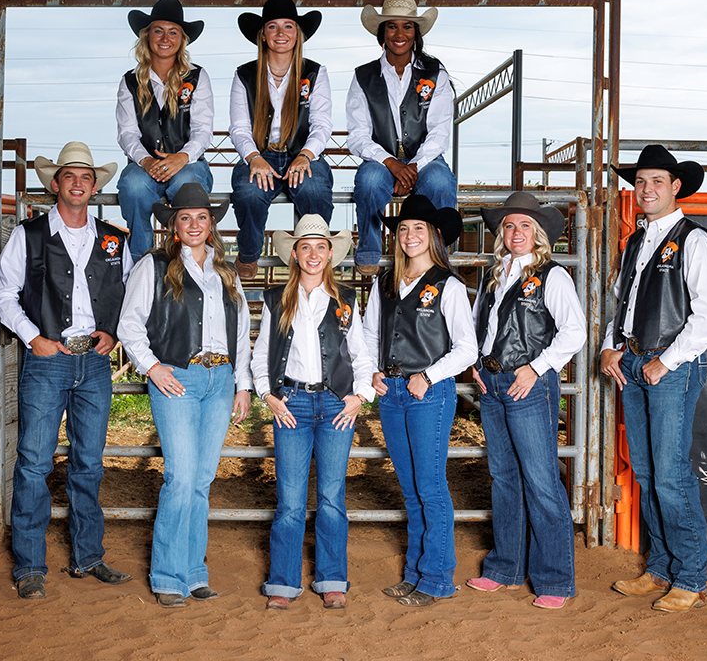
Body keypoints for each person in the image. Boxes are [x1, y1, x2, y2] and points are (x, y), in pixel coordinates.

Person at [0, 142, 131, 600]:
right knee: (33, 462)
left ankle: (88, 555)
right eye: (68, 176)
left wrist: (113, 331)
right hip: (47, 358)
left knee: (88, 463)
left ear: (94, 187)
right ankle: (30, 565)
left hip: (94, 360)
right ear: (55, 184)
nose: (76, 183)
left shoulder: (115, 238)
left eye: (85, 177)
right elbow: (2, 294)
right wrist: (34, 338)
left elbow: (129, 293)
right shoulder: (28, 234)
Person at [599, 144, 707, 613]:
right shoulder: (636, 240)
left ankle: (690, 577)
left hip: (669, 367)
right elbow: (621, 304)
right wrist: (610, 347)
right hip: (634, 364)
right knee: (650, 472)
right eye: (640, 182)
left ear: (676, 187)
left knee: (670, 475)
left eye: (657, 181)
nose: (646, 189)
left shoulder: (694, 240)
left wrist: (666, 361)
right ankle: (661, 569)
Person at [118, 182, 253, 608]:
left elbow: (244, 330)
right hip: (177, 377)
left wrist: (243, 384)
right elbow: (129, 325)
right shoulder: (154, 265)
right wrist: (152, 367)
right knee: (180, 478)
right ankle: (167, 575)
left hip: (220, 380)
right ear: (174, 225)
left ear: (211, 224)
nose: (194, 224)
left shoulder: (225, 271)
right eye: (185, 217)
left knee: (202, 480)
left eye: (201, 217)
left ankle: (195, 572)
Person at [465, 192, 585, 609]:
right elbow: (484, 325)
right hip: (493, 385)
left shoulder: (552, 276)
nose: (517, 233)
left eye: (525, 226)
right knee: (504, 478)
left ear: (538, 234)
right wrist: (477, 364)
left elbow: (574, 331)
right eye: (510, 226)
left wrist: (538, 367)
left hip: (528, 385)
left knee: (541, 480)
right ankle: (505, 569)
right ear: (502, 233)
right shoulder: (492, 275)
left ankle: (554, 579)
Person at [251, 215, 374, 611]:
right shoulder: (277, 300)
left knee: (332, 495)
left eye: (321, 246)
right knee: (289, 498)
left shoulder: (346, 300)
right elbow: (260, 355)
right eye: (305, 246)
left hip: (337, 404)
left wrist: (361, 395)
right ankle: (283, 582)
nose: (313, 253)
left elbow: (361, 354)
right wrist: (268, 396)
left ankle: (332, 577)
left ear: (331, 255)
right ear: (295, 254)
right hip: (292, 405)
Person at [361, 195, 477, 606]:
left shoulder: (449, 284)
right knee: (410, 489)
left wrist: (428, 376)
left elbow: (467, 348)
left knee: (430, 486)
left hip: (429, 392)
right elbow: (369, 335)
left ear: (433, 235)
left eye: (419, 229)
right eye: (404, 229)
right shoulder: (385, 282)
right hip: (391, 392)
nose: (410, 236)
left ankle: (437, 578)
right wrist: (371, 370)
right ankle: (414, 572)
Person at [346, 0, 458, 276]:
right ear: (382, 33)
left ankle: (439, 253)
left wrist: (412, 166)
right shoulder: (364, 76)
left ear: (416, 33)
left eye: (407, 26)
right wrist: (391, 163)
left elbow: (440, 131)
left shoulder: (435, 74)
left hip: (425, 157)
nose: (400, 34)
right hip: (381, 159)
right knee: (369, 181)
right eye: (392, 26)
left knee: (441, 181)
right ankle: (370, 249)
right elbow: (358, 136)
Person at [229, 0, 334, 281]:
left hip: (302, 152)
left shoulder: (314, 73)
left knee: (314, 190)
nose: (281, 33)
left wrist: (305, 155)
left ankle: (315, 259)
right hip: (260, 152)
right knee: (249, 192)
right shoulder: (245, 75)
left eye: (288, 26)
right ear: (262, 36)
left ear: (298, 34)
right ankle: (249, 253)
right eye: (273, 27)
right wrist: (253, 158)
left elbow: (322, 124)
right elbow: (239, 127)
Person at [116, 0, 215, 261]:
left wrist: (181, 157)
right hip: (144, 163)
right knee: (134, 186)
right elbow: (127, 134)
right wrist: (146, 161)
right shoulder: (130, 81)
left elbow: (202, 130)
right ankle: (141, 259)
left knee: (186, 183)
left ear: (182, 39)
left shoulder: (197, 77)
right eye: (158, 31)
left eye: (173, 32)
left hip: (189, 161)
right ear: (147, 37)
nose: (165, 38)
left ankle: (189, 258)